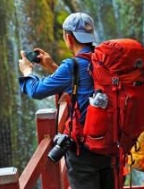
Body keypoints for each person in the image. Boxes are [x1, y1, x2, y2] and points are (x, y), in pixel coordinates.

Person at [18, 12, 114, 189]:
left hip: (84, 149)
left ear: (68, 38)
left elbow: (36, 91)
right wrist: (52, 66)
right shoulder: (104, 60)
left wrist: (27, 72)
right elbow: (83, 83)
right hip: (108, 144)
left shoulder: (72, 66)